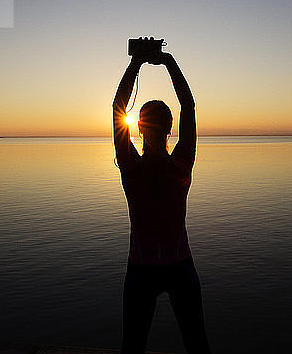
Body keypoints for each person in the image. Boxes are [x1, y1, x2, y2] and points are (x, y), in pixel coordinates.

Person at [113, 45, 211, 354]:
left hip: (141, 268)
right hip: (180, 266)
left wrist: (136, 62)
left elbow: (117, 106)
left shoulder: (131, 167)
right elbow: (189, 106)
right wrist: (167, 61)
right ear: (170, 128)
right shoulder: (181, 164)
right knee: (197, 345)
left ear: (138, 128)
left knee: (133, 348)